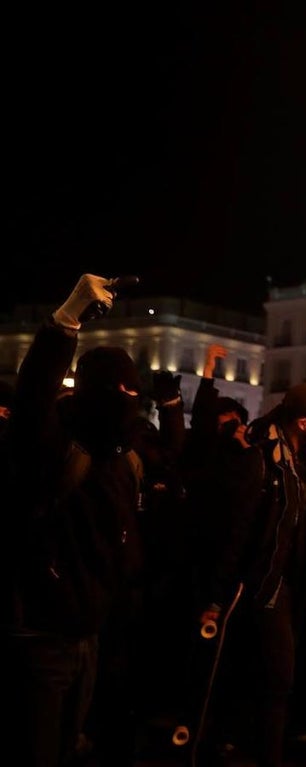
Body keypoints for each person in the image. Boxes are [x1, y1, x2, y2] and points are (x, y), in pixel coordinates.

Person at [3, 274, 143, 767]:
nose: (129, 398)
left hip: (88, 636)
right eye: (120, 389)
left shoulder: (123, 456)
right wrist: (66, 320)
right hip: (38, 635)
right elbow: (32, 401)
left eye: (135, 389)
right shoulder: (55, 445)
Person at [199, 382, 306, 767]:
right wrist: (216, 598)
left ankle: (251, 744)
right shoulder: (261, 460)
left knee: (273, 678)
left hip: (291, 584)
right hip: (260, 585)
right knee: (274, 677)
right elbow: (237, 532)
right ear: (302, 422)